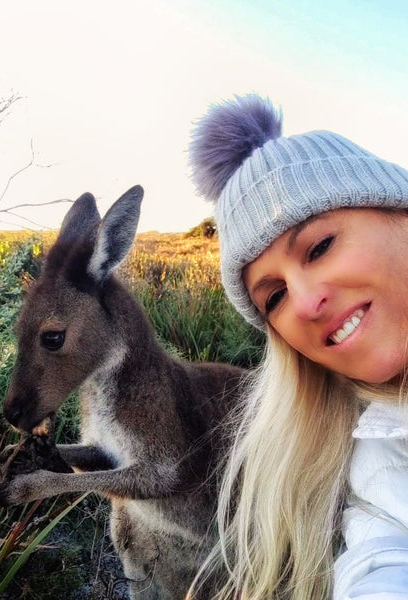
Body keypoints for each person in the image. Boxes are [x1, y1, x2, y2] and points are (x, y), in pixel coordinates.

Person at [188, 94, 408, 599]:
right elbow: (381, 562)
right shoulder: (378, 455)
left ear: (398, 210)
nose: (307, 305)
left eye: (320, 247)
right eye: (276, 297)